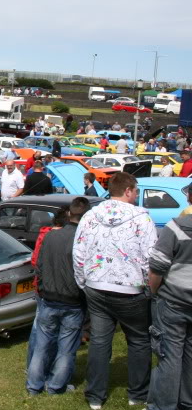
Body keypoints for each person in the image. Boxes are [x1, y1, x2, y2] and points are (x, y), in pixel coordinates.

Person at [73, 172, 157, 409]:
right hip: (130, 289)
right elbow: (150, 259)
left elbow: (78, 254)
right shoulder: (142, 218)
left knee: (100, 341)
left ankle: (95, 396)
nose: (137, 196)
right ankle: (137, 394)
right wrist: (149, 288)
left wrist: (84, 282)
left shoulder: (90, 215)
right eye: (136, 191)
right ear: (128, 191)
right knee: (139, 340)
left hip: (97, 286)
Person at [26, 197, 91, 396]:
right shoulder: (82, 239)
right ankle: (55, 386)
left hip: (51, 298)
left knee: (43, 345)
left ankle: (35, 386)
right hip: (70, 300)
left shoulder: (50, 236)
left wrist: (44, 289)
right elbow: (84, 272)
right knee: (66, 348)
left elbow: (39, 266)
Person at [146, 185, 192, 410]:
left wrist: (154, 292)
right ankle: (186, 402)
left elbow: (157, 268)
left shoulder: (175, 226)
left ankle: (163, 405)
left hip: (173, 300)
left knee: (169, 355)